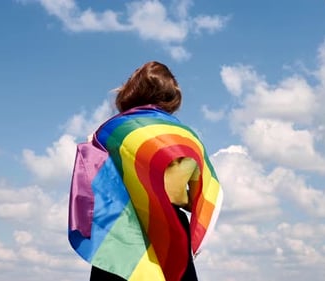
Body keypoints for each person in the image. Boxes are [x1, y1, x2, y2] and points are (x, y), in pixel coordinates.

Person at [68, 61, 223, 281]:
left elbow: (91, 187)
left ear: (131, 92)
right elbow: (200, 195)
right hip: (170, 230)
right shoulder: (187, 138)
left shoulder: (108, 132)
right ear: (171, 95)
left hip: (121, 229)